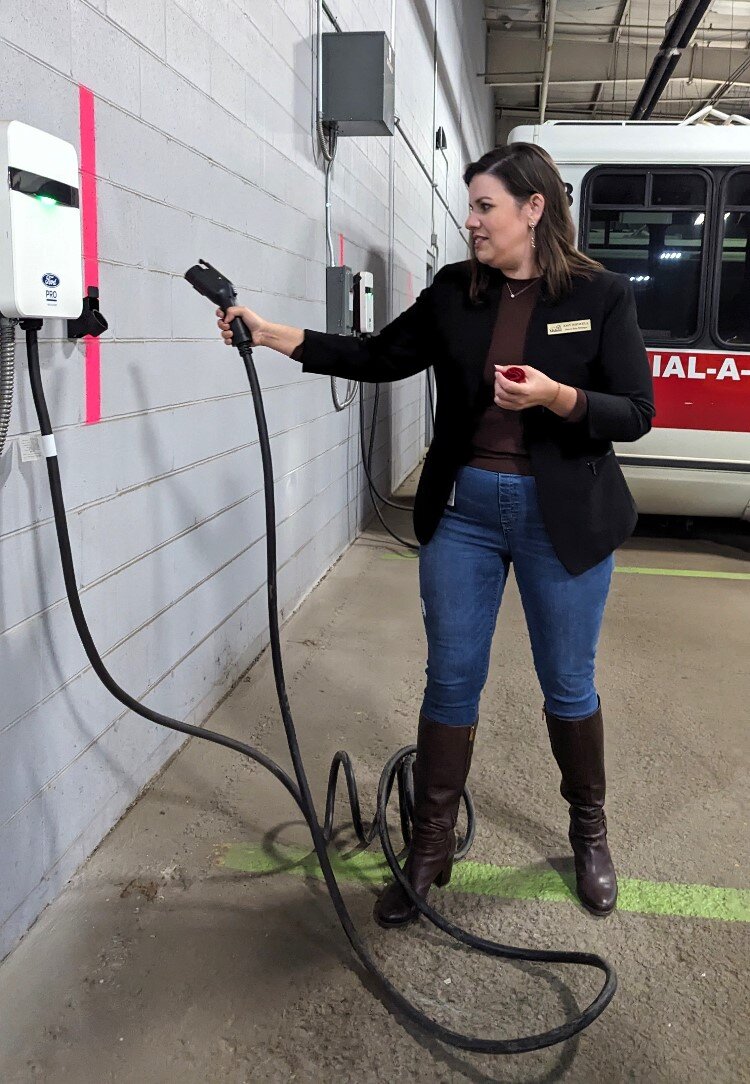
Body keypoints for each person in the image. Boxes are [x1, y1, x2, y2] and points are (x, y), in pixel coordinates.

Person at [217, 143, 655, 926]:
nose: (472, 220)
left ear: (533, 208)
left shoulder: (603, 294)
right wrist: (275, 333)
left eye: (485, 206)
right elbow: (383, 356)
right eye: (472, 206)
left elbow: (635, 414)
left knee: (568, 684)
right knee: (451, 682)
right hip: (467, 514)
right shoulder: (457, 290)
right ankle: (430, 846)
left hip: (566, 521)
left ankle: (589, 834)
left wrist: (557, 396)